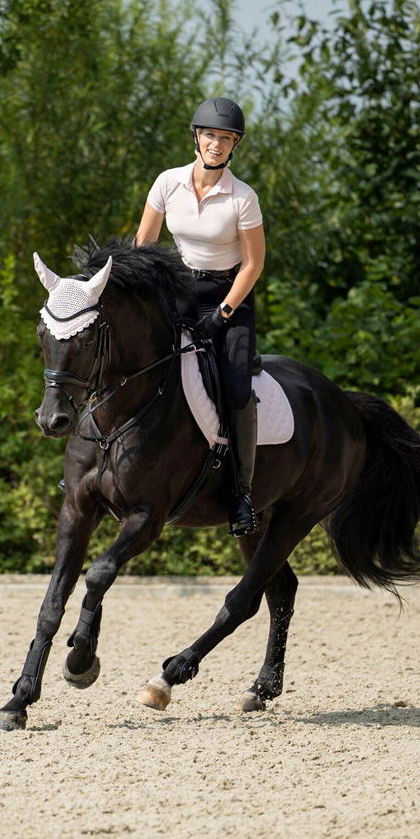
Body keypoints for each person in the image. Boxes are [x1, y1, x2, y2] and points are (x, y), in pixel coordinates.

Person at [135, 97, 265, 536]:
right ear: (197, 137)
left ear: (233, 147)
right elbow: (145, 245)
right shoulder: (167, 183)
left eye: (225, 138)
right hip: (178, 289)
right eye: (210, 135)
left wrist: (224, 313)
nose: (216, 143)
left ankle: (242, 493)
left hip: (229, 296)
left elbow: (253, 265)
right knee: (129, 355)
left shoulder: (243, 197)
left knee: (236, 387)